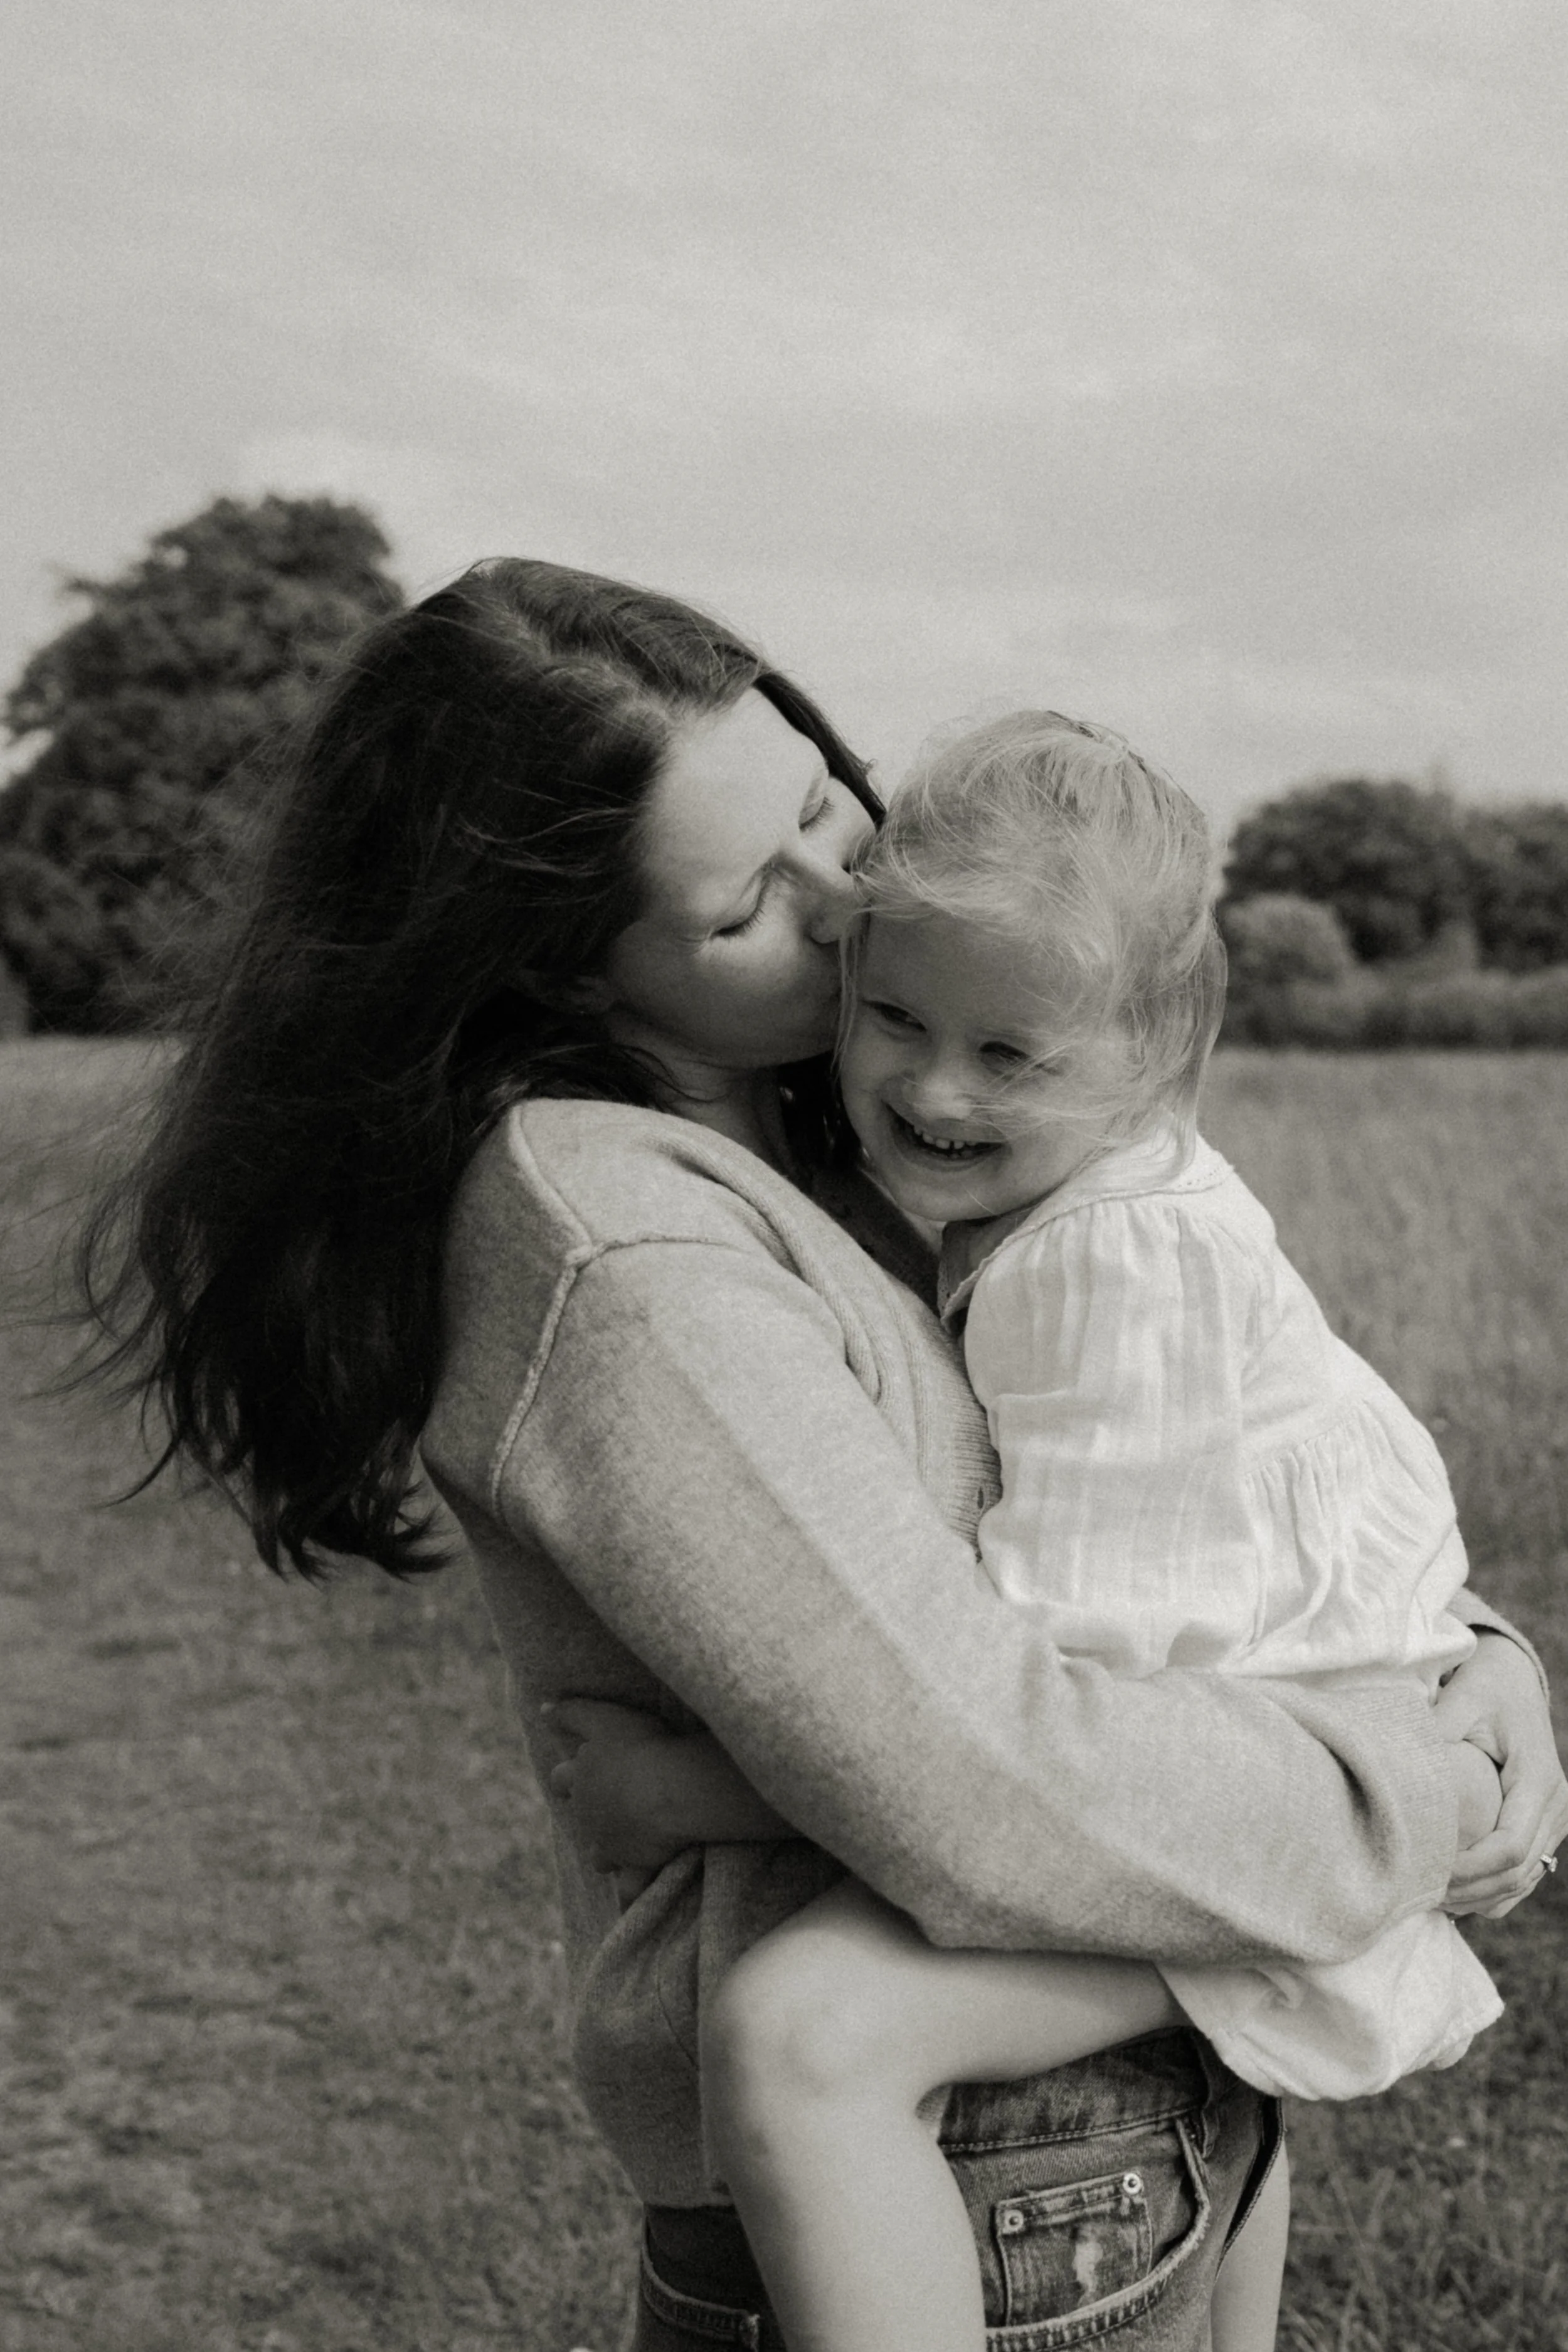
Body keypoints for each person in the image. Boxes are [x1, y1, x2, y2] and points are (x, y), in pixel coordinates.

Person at [81, 560, 1567, 2351]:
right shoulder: (626, 1247)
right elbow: (978, 1773)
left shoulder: (868, 1137)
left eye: (815, 803)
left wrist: (1465, 1654)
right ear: (559, 963)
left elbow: (1202, 1476)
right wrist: (1419, 1788)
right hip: (979, 2182)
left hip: (1133, 2094)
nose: (847, 894)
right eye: (740, 908)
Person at [574, 711, 1509, 2352]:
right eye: (891, 1017)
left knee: (805, 2027)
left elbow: (1066, 1690)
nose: (928, 1087)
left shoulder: (1102, 1260)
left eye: (1007, 1055)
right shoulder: (1084, 1194)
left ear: (1151, 1054)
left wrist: (704, 1782)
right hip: (1276, 1754)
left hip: (1257, 1781)